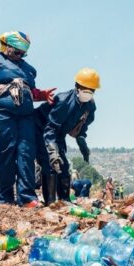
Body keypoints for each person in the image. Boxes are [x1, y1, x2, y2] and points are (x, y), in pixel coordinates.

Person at [0, 31, 56, 207]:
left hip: (25, 115)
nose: (20, 55)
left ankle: (27, 197)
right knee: (7, 151)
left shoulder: (28, 69)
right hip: (2, 113)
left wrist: (41, 94)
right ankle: (5, 197)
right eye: (17, 51)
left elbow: (30, 91)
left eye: (23, 53)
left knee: (26, 152)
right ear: (6, 46)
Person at [35, 68, 99, 203]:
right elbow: (50, 128)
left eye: (91, 89)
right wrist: (52, 152)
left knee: (63, 166)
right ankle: (51, 202)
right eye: (85, 88)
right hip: (41, 128)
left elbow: (81, 130)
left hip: (58, 133)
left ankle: (64, 201)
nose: (88, 92)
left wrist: (83, 146)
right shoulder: (64, 101)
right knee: (50, 162)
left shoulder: (90, 107)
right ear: (77, 87)